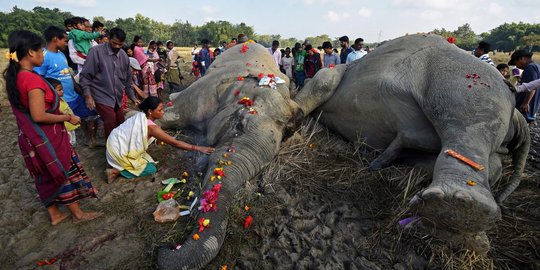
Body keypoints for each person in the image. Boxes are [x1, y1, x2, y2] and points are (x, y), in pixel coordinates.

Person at [3, 30, 101, 225]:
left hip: (32, 138)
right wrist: (66, 117)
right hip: (48, 137)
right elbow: (39, 115)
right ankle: (77, 214)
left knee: (45, 174)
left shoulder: (17, 77)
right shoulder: (31, 79)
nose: (42, 54)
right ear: (31, 52)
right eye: (40, 50)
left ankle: (55, 214)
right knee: (61, 170)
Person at [105, 97, 215, 183]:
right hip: (116, 150)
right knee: (151, 169)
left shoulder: (142, 116)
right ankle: (116, 171)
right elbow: (174, 143)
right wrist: (199, 148)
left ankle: (118, 164)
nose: (163, 112)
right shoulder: (152, 128)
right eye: (160, 110)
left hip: (113, 142)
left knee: (146, 160)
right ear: (150, 111)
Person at [34, 26, 100, 148]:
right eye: (64, 40)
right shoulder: (43, 56)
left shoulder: (61, 55)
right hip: (61, 101)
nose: (67, 43)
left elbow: (69, 75)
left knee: (91, 113)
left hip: (74, 96)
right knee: (65, 129)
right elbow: (39, 81)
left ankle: (91, 140)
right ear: (55, 39)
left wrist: (83, 93)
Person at [80, 28, 139, 137]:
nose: (117, 47)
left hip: (117, 96)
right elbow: (85, 76)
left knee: (121, 121)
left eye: (120, 45)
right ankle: (110, 148)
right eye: (114, 43)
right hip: (101, 94)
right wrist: (88, 95)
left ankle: (118, 144)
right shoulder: (96, 52)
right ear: (109, 39)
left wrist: (133, 97)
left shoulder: (124, 56)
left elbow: (127, 80)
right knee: (110, 120)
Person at [509, 49, 540, 123]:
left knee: (519, 123)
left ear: (522, 59)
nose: (517, 66)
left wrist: (526, 103)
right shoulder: (536, 66)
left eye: (516, 63)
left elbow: (532, 86)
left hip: (525, 105)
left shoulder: (530, 67)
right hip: (533, 104)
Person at [46, 78, 80, 146]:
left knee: (72, 143)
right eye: (59, 90)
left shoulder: (61, 99)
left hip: (70, 127)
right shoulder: (54, 105)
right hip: (64, 129)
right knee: (68, 144)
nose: (62, 91)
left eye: (62, 89)